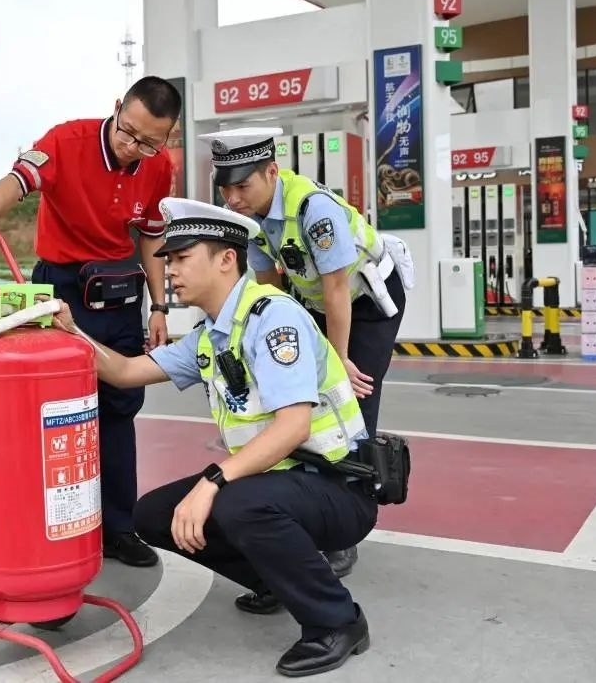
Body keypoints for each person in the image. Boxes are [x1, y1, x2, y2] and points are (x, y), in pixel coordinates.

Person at [47, 197, 376, 678]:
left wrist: (212, 481)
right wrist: (72, 330)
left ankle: (339, 621)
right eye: (169, 260)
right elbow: (123, 371)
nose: (171, 271)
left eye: (181, 258)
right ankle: (276, 580)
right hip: (277, 481)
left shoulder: (272, 318)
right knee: (154, 516)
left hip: (336, 485)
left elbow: (294, 426)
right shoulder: (212, 335)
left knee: (232, 503)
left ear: (227, 259)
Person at [0, 76, 184, 568]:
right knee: (52, 411)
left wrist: (159, 306)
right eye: (127, 132)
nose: (133, 148)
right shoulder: (66, 141)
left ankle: (117, 527)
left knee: (119, 410)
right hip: (62, 289)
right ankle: (48, 526)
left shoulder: (158, 168)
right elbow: (20, 180)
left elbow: (152, 237)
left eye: (148, 142)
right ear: (116, 109)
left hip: (120, 293)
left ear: (166, 139)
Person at [198, 126, 410, 588]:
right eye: (225, 188)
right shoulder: (251, 220)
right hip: (316, 303)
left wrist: (339, 360)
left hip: (366, 305)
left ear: (271, 172)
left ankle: (342, 531)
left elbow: (337, 291)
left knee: (350, 405)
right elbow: (269, 290)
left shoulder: (315, 210)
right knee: (296, 404)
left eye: (243, 186)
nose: (233, 198)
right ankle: (299, 511)